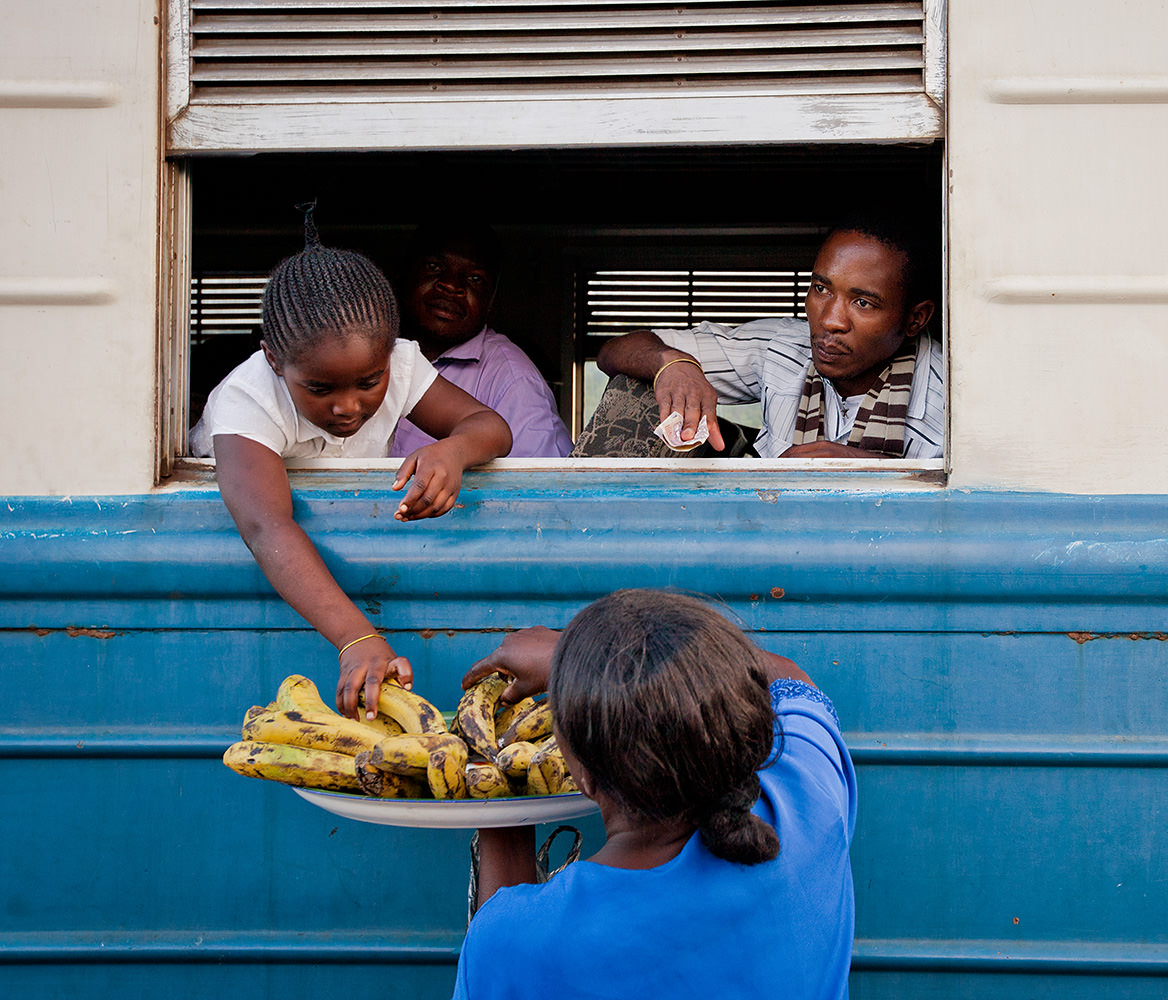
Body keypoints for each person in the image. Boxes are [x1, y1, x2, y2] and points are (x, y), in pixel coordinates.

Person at [453, 589, 857, 1000]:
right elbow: (789, 680)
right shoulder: (807, 806)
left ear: (585, 777)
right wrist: (568, 657)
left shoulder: (508, 939)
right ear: (739, 729)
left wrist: (497, 790)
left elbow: (503, 954)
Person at [190, 209, 513, 719]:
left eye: (369, 383)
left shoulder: (399, 364)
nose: (349, 407)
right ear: (275, 360)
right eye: (320, 389)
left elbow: (490, 426)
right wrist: (355, 637)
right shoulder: (246, 400)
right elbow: (265, 525)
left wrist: (453, 450)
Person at [595, 217, 942, 459]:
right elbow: (614, 351)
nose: (830, 321)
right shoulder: (782, 347)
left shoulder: (956, 403)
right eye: (821, 288)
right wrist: (672, 364)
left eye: (863, 302)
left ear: (915, 319)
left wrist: (873, 473)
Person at [389, 221, 573, 459]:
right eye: (434, 266)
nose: (451, 285)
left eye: (475, 279)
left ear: (492, 298)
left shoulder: (515, 380)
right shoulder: (367, 353)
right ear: (404, 274)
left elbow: (544, 490)